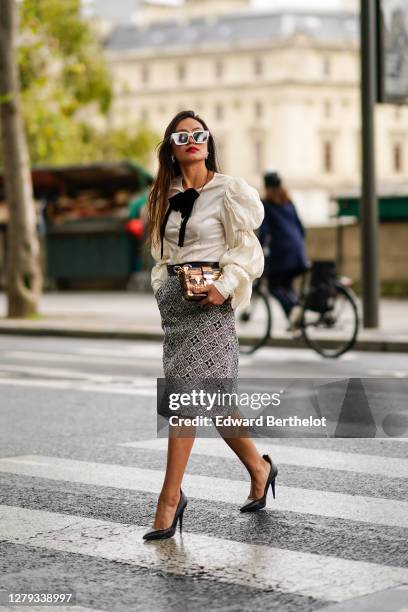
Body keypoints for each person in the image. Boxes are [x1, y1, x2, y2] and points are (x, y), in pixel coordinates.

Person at [144, 110, 278, 540]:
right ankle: (260, 468)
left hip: (212, 306)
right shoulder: (165, 194)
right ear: (171, 147)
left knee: (184, 399)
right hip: (179, 308)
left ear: (208, 142)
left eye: (199, 134)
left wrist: (225, 286)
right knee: (218, 406)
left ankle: (169, 499)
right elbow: (162, 254)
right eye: (182, 136)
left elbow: (249, 251)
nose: (192, 140)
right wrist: (164, 290)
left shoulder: (228, 190)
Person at [258, 171, 308, 328]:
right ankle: (296, 321)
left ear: (266, 187)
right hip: (298, 252)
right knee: (286, 286)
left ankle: (294, 310)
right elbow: (302, 229)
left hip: (282, 253)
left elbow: (264, 233)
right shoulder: (289, 202)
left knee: (273, 287)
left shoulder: (266, 204)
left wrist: (257, 249)